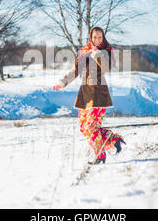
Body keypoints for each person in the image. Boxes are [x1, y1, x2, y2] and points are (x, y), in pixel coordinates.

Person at [52, 26, 126, 164]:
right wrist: (62, 82)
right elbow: (75, 70)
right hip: (85, 94)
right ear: (90, 38)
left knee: (91, 128)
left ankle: (100, 155)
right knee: (84, 127)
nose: (97, 40)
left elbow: (107, 67)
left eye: (100, 37)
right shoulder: (84, 51)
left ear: (103, 38)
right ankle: (113, 139)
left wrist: (97, 54)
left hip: (99, 94)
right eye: (94, 37)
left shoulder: (106, 51)